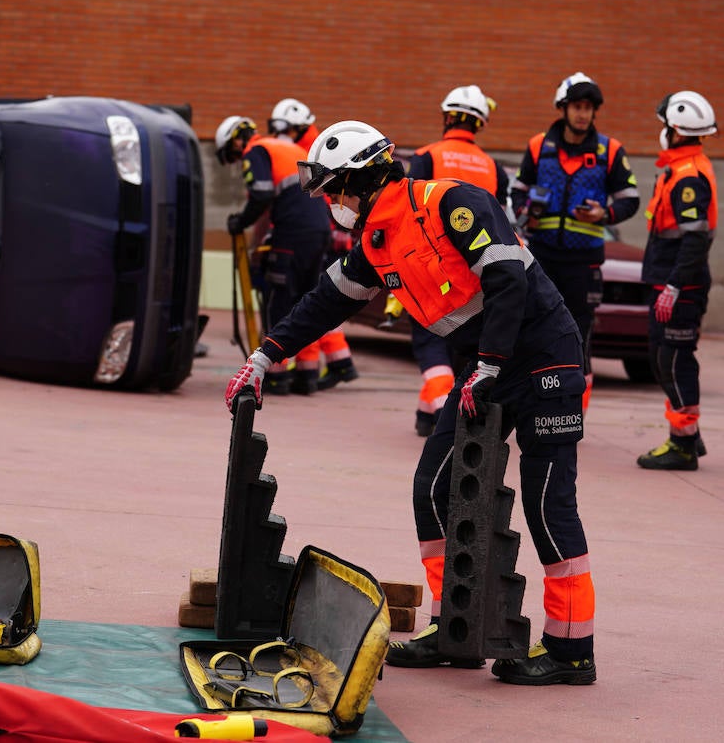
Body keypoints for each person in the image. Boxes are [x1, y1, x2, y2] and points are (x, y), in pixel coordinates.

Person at [225, 121, 597, 686]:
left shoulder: (450, 202)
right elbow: (324, 303)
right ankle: (453, 628)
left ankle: (572, 652)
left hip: (542, 355)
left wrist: (492, 365)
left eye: (336, 191)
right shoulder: (374, 241)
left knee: (548, 506)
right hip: (485, 367)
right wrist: (263, 357)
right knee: (433, 487)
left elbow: (507, 281)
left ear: (365, 179)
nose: (333, 205)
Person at [510, 72, 638, 410]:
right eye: (577, 107)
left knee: (580, 336)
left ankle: (574, 413)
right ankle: (535, 404)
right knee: (537, 330)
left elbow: (630, 199)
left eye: (588, 108)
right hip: (543, 257)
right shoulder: (539, 147)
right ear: (563, 109)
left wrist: (604, 215)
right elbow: (518, 191)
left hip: (584, 262)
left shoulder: (610, 151)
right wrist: (526, 214)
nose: (583, 114)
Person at [405, 84, 509, 436]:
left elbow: (409, 212)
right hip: (478, 267)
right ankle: (425, 414)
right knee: (461, 337)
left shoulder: (426, 156)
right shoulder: (494, 168)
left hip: (431, 263)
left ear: (447, 117)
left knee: (429, 337)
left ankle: (439, 412)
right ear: (479, 124)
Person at [215, 114, 345, 395]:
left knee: (279, 303)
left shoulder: (257, 151)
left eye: (232, 153)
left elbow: (261, 198)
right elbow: (269, 205)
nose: (238, 159)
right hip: (318, 232)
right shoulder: (288, 149)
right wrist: (255, 245)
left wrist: (241, 222)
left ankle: (275, 376)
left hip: (292, 237)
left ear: (238, 140)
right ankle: (307, 375)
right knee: (307, 301)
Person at [636, 91, 719, 471]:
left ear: (676, 129)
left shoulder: (689, 177)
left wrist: (674, 285)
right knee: (663, 357)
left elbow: (695, 237)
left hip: (679, 286)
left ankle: (682, 444)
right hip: (670, 282)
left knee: (673, 361)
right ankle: (689, 434)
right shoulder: (680, 168)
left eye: (664, 125)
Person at [268, 97, 359, 388]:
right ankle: (339, 363)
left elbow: (320, 195)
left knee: (317, 300)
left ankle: (333, 365)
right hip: (328, 232)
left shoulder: (312, 150)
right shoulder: (313, 144)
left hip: (325, 233)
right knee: (319, 298)